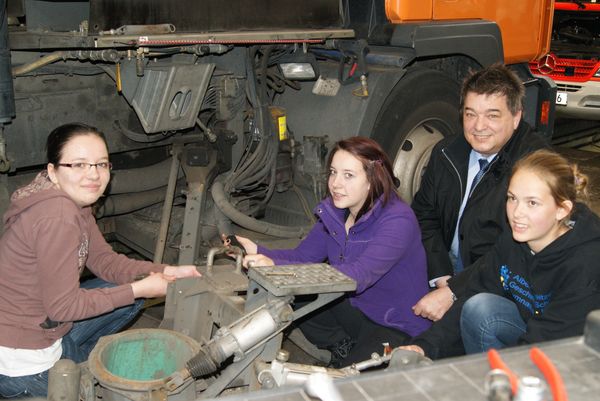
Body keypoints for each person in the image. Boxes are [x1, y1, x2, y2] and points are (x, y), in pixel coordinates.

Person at [0, 123, 201, 398]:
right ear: (53, 172)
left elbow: (106, 262)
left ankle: (82, 356)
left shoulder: (75, 204)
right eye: (79, 165)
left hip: (44, 324)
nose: (93, 175)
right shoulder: (57, 216)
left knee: (130, 285)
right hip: (21, 359)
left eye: (101, 164)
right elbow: (62, 308)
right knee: (133, 292)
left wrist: (165, 270)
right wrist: (139, 289)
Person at [234, 136, 431, 366]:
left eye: (348, 175)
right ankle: (342, 345)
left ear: (372, 179)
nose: (335, 183)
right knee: (291, 296)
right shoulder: (337, 212)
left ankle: (355, 358)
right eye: (333, 172)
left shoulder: (398, 220)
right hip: (356, 312)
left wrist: (275, 267)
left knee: (346, 383)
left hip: (394, 325)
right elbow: (303, 257)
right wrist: (257, 251)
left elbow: (358, 276)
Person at [402, 149, 600, 359]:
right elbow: (476, 290)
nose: (517, 213)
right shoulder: (513, 240)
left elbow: (550, 341)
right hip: (535, 327)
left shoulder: (585, 262)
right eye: (512, 198)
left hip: (577, 352)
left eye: (532, 203)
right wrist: (424, 347)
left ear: (562, 209)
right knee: (479, 308)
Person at [411, 63, 549, 323]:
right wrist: (441, 276)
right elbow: (423, 215)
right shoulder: (446, 152)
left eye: (493, 115)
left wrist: (454, 290)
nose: (478, 126)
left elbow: (514, 250)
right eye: (470, 114)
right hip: (444, 265)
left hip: (501, 278)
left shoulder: (535, 166)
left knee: (476, 315)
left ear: (517, 116)